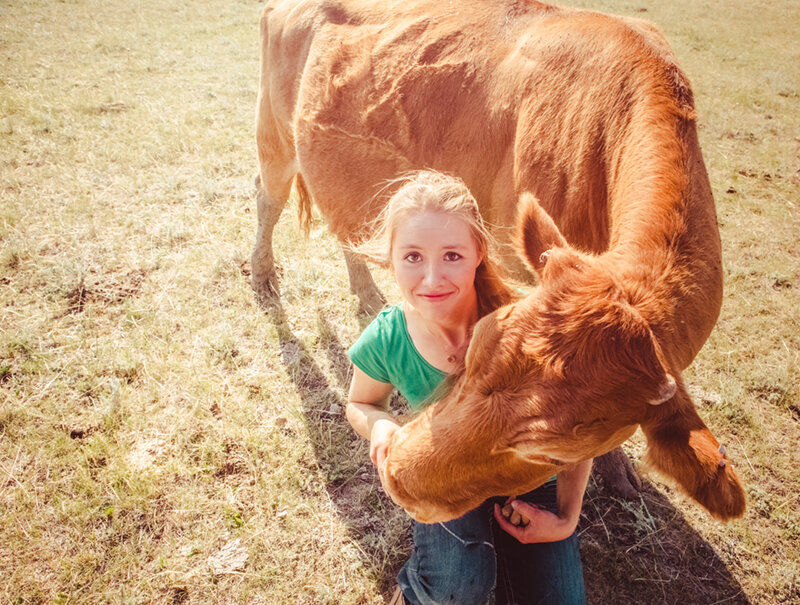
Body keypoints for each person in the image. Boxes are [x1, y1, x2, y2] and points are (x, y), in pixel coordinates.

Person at [345, 171, 591, 605]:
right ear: (390, 258)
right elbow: (360, 403)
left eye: (452, 255)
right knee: (459, 587)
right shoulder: (389, 337)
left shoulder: (524, 323)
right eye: (413, 256)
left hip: (526, 476)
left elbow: (577, 427)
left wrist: (566, 517)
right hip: (445, 468)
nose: (432, 278)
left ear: (479, 252)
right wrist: (380, 425)